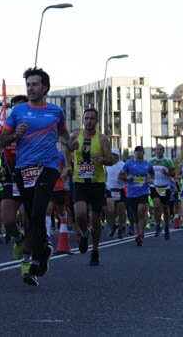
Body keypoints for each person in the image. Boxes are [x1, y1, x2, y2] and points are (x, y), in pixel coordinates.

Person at [0, 68, 69, 287]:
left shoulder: (56, 112)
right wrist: (15, 135)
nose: (31, 88)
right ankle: (44, 250)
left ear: (45, 88)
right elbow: (2, 140)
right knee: (31, 216)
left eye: (35, 84)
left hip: (47, 167)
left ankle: (37, 260)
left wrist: (71, 145)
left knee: (39, 212)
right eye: (28, 84)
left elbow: (65, 137)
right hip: (23, 169)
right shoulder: (18, 111)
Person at [65, 107, 114, 266]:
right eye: (86, 118)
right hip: (79, 182)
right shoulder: (75, 136)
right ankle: (85, 234)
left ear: (97, 121)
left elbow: (110, 160)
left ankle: (95, 249)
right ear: (83, 120)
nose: (89, 121)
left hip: (97, 183)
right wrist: (68, 165)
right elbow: (67, 149)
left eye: (92, 118)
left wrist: (103, 160)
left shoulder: (102, 139)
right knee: (79, 215)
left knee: (95, 219)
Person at [0, 93, 31, 273]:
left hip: (30, 178)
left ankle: (27, 262)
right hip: (10, 178)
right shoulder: (4, 130)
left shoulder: (34, 126)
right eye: (15, 108)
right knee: (8, 220)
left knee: (28, 220)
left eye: (22, 107)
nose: (18, 111)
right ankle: (17, 239)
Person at [120, 146, 154, 246]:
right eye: (137, 152)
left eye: (140, 152)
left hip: (143, 192)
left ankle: (140, 234)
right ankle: (138, 229)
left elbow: (152, 174)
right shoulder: (128, 164)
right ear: (134, 153)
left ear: (143, 153)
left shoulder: (148, 165)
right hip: (131, 193)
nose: (138, 153)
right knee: (135, 216)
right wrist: (127, 177)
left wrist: (150, 180)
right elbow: (121, 175)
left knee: (141, 211)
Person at [148, 144, 175, 240]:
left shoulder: (168, 161)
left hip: (165, 187)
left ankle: (167, 226)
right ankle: (158, 226)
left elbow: (174, 173)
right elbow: (147, 172)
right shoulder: (151, 161)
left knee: (165, 209)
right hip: (154, 186)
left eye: (160, 149)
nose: (158, 151)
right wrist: (149, 179)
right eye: (157, 149)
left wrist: (167, 173)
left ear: (163, 151)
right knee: (156, 206)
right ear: (155, 151)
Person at [104, 147, 127, 240]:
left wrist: (124, 178)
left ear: (118, 156)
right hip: (110, 189)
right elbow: (105, 175)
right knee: (110, 210)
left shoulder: (123, 165)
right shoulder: (107, 165)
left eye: (115, 155)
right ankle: (113, 225)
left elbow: (126, 175)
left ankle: (121, 228)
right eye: (111, 155)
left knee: (121, 211)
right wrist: (105, 184)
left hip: (120, 189)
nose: (113, 157)